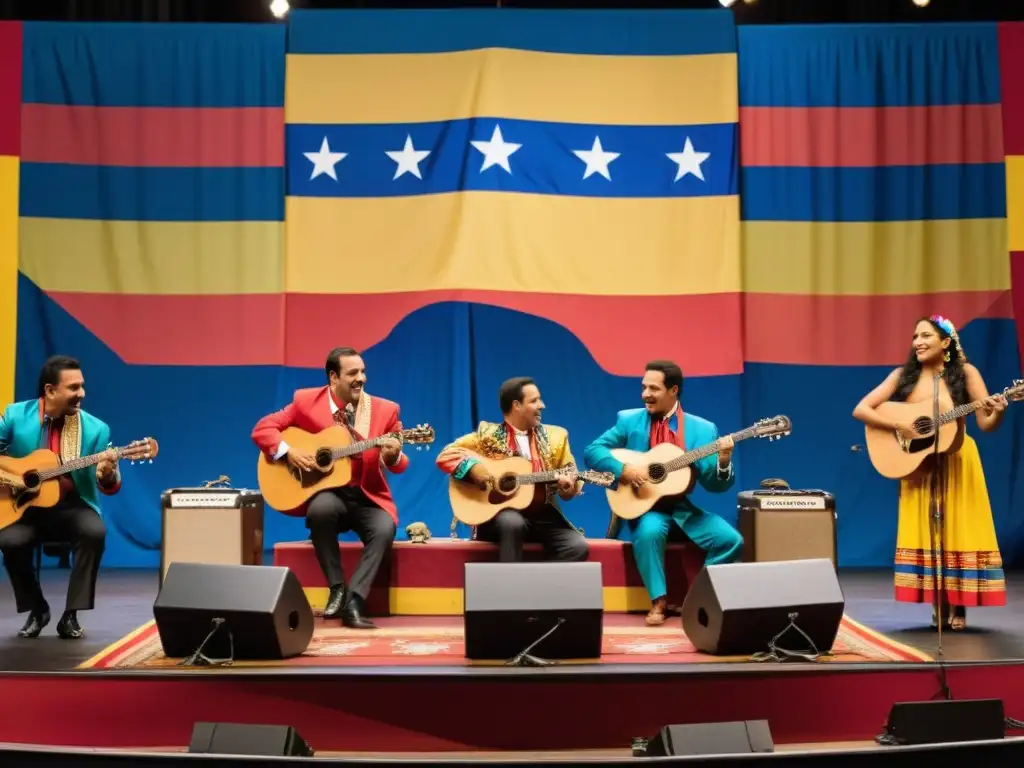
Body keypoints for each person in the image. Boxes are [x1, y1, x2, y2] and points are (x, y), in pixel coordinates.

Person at [852, 315, 1009, 631]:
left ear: (946, 343)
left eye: (925, 336)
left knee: (956, 527)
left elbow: (985, 424)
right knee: (930, 530)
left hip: (958, 459)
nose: (918, 342)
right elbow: (862, 409)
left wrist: (998, 413)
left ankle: (959, 604)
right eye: (915, 337)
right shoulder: (903, 376)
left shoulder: (965, 374)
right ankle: (939, 602)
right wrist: (901, 424)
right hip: (919, 463)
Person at [252, 347, 405, 629]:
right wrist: (290, 453)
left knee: (385, 528)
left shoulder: (385, 410)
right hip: (328, 494)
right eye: (353, 373)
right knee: (321, 509)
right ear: (333, 378)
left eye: (363, 371)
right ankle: (337, 587)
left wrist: (392, 454)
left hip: (366, 496)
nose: (361, 378)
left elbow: (398, 463)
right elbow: (264, 429)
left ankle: (355, 601)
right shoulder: (306, 401)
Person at [584, 360, 742, 625]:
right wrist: (624, 469)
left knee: (731, 540)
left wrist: (723, 461)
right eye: (644, 387)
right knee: (649, 531)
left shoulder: (702, 430)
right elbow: (593, 451)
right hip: (646, 507)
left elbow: (715, 485)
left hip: (682, 510)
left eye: (654, 388)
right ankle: (659, 601)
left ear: (673, 391)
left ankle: (698, 597)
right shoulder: (629, 420)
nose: (646, 394)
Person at [0, 355, 119, 639]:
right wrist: (13, 477)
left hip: (70, 506)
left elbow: (109, 485)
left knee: (94, 530)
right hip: (22, 505)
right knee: (9, 540)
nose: (82, 394)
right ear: (50, 390)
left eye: (82, 386)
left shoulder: (96, 429)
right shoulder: (15, 416)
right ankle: (37, 608)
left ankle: (71, 615)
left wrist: (107, 473)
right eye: (74, 387)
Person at [436, 376, 589, 563]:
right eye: (534, 401)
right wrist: (475, 470)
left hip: (543, 514)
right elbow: (446, 456)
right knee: (512, 523)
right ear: (516, 405)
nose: (542, 406)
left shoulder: (557, 437)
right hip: (501, 514)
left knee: (577, 547)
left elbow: (569, 481)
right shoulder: (488, 435)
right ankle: (509, 588)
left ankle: (540, 587)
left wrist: (570, 487)